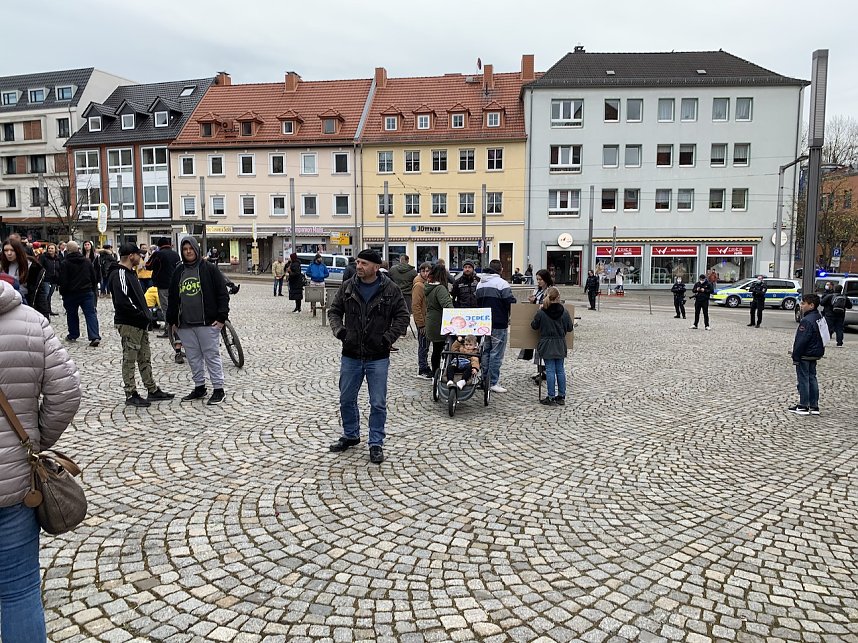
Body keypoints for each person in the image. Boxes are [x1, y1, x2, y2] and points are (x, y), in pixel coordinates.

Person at [0, 276, 81, 643]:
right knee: (19, 591)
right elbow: (67, 392)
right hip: (15, 487)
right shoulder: (31, 321)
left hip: (16, 489)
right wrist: (31, 444)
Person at [327, 249, 409, 465]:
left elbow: (402, 315)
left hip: (378, 356)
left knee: (378, 402)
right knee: (346, 398)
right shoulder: (348, 286)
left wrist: (388, 338)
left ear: (376, 267)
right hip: (351, 354)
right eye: (357, 262)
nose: (359, 267)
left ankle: (376, 443)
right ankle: (351, 434)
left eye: (363, 263)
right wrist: (340, 332)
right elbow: (334, 311)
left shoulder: (390, 289)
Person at [108, 243, 175, 407]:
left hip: (140, 323)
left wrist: (146, 316)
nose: (141, 257)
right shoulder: (119, 274)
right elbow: (123, 301)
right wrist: (141, 315)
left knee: (145, 357)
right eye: (139, 254)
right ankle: (131, 393)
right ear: (131, 256)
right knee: (129, 359)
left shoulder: (131, 272)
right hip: (129, 323)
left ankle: (152, 389)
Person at [167, 237, 230, 406]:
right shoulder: (179, 271)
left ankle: (219, 389)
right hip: (185, 324)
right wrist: (172, 320)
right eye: (185, 249)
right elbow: (172, 297)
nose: (188, 251)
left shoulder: (209, 269)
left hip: (207, 323)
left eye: (191, 248)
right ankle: (199, 387)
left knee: (211, 356)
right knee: (193, 358)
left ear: (196, 249)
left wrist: (221, 318)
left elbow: (222, 293)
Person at [476, 259, 516, 393]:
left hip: (484, 323)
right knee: (496, 353)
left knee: (486, 351)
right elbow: (510, 301)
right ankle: (493, 382)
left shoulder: (480, 284)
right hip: (499, 322)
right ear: (501, 269)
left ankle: (484, 379)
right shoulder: (502, 283)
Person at [531, 286, 573, 406]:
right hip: (560, 343)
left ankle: (551, 397)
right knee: (560, 370)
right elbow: (570, 328)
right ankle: (561, 396)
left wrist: (538, 312)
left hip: (546, 343)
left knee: (550, 370)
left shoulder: (541, 312)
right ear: (558, 297)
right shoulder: (564, 312)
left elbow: (534, 326)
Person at [147, 237, 183, 363]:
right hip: (176, 284)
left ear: (159, 245)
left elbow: (148, 266)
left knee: (166, 308)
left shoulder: (158, 254)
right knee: (176, 306)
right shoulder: (175, 254)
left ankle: (168, 329)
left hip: (163, 284)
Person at [57, 241, 101, 346]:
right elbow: (93, 277)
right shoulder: (86, 261)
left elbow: (63, 280)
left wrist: (63, 293)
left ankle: (73, 334)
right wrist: (92, 288)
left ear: (68, 250)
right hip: (86, 291)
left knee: (72, 315)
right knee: (90, 314)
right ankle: (94, 336)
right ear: (78, 249)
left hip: (70, 293)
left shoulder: (65, 263)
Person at [789, 294, 825, 415]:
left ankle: (803, 405)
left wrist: (796, 356)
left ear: (811, 305)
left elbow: (801, 340)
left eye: (803, 303)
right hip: (815, 353)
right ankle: (814, 406)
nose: (801, 305)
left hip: (805, 354)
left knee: (803, 379)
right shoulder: (819, 317)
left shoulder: (806, 321)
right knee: (812, 378)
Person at [2, 239, 50, 318]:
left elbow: (39, 293)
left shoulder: (32, 266)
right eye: (6, 250)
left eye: (12, 250)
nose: (9, 253)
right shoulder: (3, 266)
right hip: (5, 306)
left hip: (26, 304)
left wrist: (44, 315)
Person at [425, 263, 454, 375]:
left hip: (431, 320)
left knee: (436, 349)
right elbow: (447, 305)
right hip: (439, 322)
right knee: (441, 349)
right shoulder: (440, 288)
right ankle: (438, 373)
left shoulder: (429, 286)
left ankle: (435, 372)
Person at [412, 262, 433, 379]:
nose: (425, 273)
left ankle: (425, 366)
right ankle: (423, 368)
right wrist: (421, 324)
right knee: (423, 345)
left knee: (426, 344)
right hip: (423, 320)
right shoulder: (419, 285)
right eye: (423, 271)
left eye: (428, 271)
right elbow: (416, 306)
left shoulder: (428, 283)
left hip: (428, 319)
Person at [38, 243, 61, 315]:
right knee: (45, 295)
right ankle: (43, 311)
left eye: (52, 248)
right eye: (49, 248)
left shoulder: (57, 258)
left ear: (55, 249)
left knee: (49, 295)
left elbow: (59, 268)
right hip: (46, 279)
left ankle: (48, 310)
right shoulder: (43, 257)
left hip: (54, 280)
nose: (50, 250)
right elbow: (40, 266)